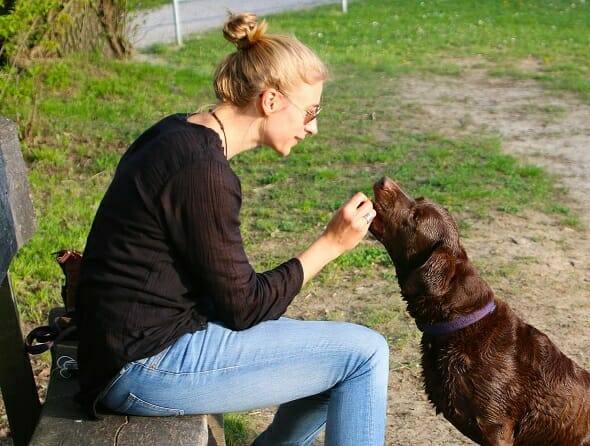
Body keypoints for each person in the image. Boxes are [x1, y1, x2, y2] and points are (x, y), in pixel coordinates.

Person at [74, 12, 389, 446]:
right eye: (311, 111)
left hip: (131, 345)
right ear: (271, 101)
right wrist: (330, 244)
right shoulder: (203, 173)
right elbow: (242, 308)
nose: (313, 127)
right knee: (366, 355)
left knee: (336, 352)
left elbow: (226, 297)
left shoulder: (177, 133)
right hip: (141, 365)